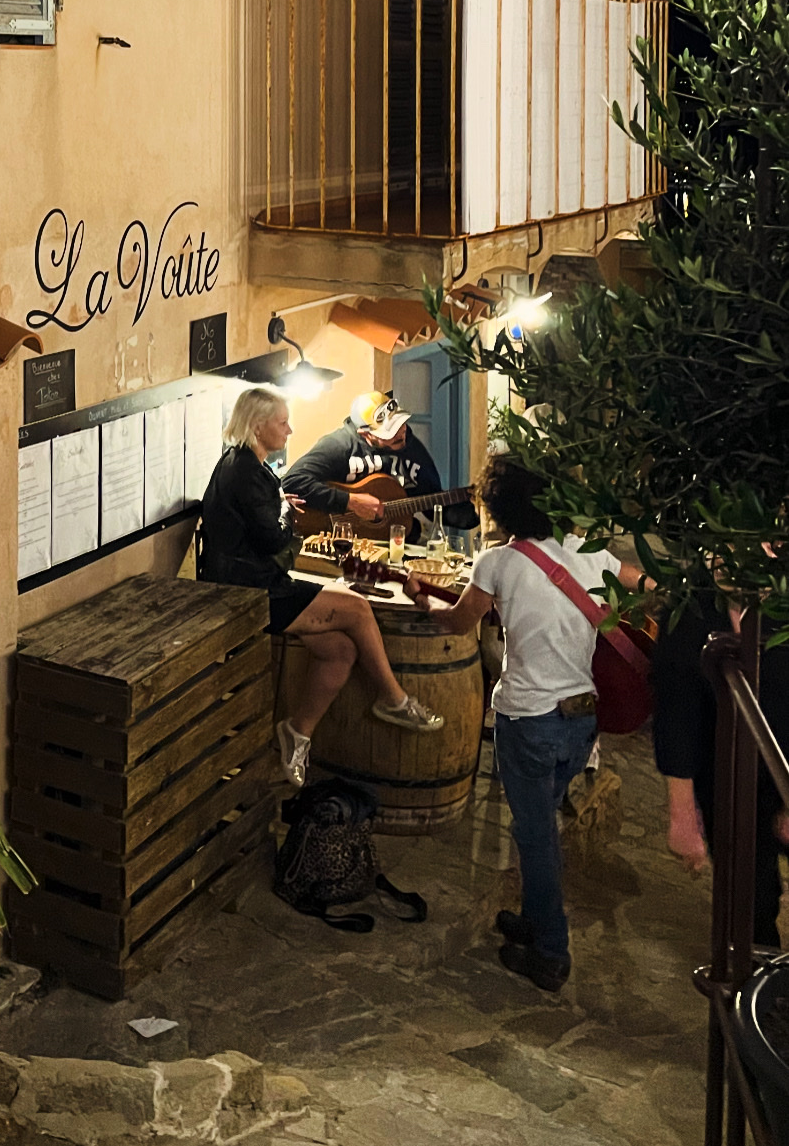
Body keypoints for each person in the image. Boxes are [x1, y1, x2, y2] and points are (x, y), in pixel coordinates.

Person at [403, 457, 646, 992]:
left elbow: (459, 622)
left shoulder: (497, 563)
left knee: (535, 837)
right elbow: (642, 582)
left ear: (501, 509)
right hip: (581, 721)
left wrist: (422, 599)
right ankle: (535, 918)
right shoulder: (590, 554)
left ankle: (550, 951)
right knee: (539, 828)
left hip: (528, 719)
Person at [199, 386, 444, 788]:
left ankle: (297, 733)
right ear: (258, 427)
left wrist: (280, 505)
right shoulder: (244, 471)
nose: (290, 430)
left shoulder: (248, 464)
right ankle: (394, 699)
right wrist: (285, 510)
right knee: (358, 609)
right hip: (250, 593)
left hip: (256, 581)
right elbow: (273, 539)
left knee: (340, 650)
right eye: (282, 423)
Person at [652, 595, 789, 950]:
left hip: (780, 764)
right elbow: (678, 713)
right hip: (728, 777)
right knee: (750, 898)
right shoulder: (690, 610)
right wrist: (682, 813)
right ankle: (756, 973)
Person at [281, 389, 476, 541]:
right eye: (390, 431)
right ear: (366, 434)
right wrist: (350, 501)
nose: (401, 433)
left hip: (396, 543)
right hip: (341, 541)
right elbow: (292, 482)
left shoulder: (412, 448)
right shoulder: (340, 445)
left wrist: (476, 512)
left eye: (401, 424)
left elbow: (434, 505)